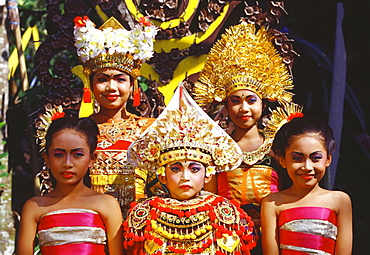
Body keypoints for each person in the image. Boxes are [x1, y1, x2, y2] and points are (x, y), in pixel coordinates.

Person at [123, 84, 256, 254]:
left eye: (194, 169)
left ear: (208, 175)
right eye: (176, 169)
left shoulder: (226, 213)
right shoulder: (145, 214)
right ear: (162, 175)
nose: (185, 176)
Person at [193, 20, 300, 228]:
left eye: (251, 101)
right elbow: (209, 197)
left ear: (263, 103)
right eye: (235, 101)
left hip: (272, 231)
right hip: (227, 233)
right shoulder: (215, 149)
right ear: (226, 104)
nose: (243, 109)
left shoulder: (277, 149)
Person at [73, 15, 163, 216]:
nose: (111, 87)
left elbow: (162, 186)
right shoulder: (78, 131)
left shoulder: (150, 129)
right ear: (91, 84)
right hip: (90, 222)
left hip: (140, 225)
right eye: (103, 79)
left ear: (132, 86)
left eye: (120, 79)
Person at [16, 110, 123, 254]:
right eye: (59, 155)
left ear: (92, 159)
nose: (67, 163)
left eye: (77, 155)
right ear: (46, 158)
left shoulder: (107, 204)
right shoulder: (34, 207)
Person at [261, 116, 353, 254]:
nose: (307, 167)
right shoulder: (272, 203)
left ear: (328, 159)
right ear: (283, 160)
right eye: (297, 158)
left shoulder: (340, 201)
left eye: (316, 158)